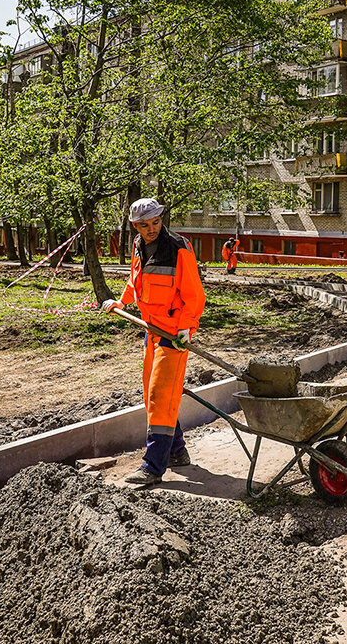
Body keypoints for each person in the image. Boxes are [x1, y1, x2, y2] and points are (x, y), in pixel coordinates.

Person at [101, 198, 206, 485]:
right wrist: (120, 302)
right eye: (145, 225)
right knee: (152, 394)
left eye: (156, 223)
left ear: (162, 219)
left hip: (174, 335)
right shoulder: (138, 246)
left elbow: (194, 295)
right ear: (136, 226)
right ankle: (177, 451)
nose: (151, 230)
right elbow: (136, 283)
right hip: (152, 332)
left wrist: (187, 328)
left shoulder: (178, 249)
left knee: (161, 396)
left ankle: (152, 466)